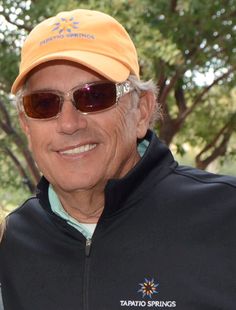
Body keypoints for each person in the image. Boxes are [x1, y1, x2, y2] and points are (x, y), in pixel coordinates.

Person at [0, 8, 236, 310]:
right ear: (26, 126)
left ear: (141, 111)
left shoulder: (226, 217)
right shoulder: (12, 242)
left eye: (94, 96)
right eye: (44, 104)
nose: (69, 123)